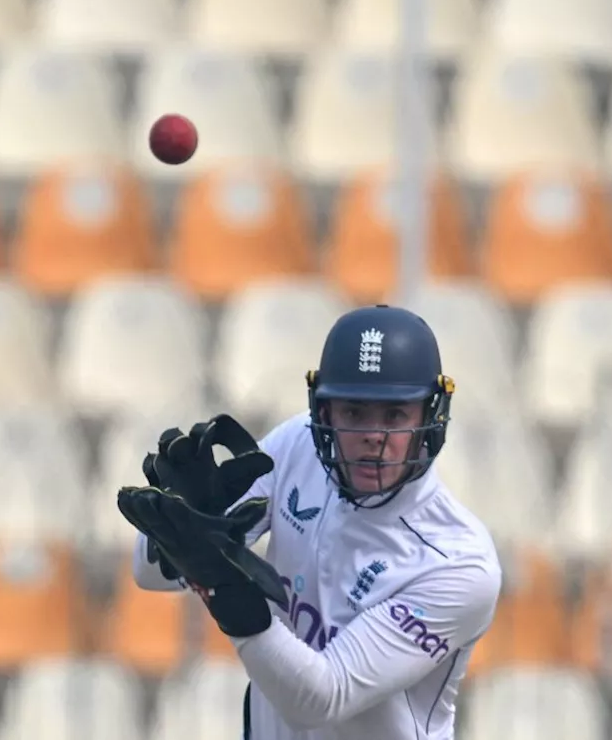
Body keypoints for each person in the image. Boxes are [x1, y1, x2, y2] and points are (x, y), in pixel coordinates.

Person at [128, 304, 502, 740]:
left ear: (431, 417)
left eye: (395, 415)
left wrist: (225, 589)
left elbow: (323, 699)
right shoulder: (296, 446)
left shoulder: (459, 565)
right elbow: (149, 573)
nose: (372, 437)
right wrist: (185, 522)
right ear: (323, 413)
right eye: (354, 413)